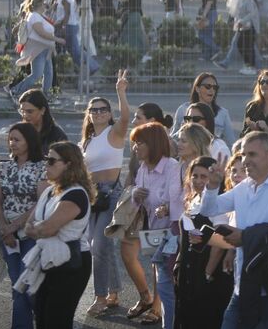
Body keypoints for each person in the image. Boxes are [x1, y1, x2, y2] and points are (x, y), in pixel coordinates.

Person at [198, 132, 268, 329]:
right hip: (244, 288)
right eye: (243, 154)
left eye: (252, 155)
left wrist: (245, 237)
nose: (245, 160)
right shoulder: (245, 187)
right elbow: (209, 209)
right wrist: (212, 186)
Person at [24, 141, 94, 329]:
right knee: (41, 318)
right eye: (47, 159)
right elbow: (28, 226)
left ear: (69, 164)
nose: (46, 164)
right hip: (49, 260)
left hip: (71, 265)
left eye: (52, 161)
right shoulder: (49, 191)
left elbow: (47, 229)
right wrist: (39, 228)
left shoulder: (76, 194)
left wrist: (39, 229)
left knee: (57, 320)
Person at [79, 70, 130, 317]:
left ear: (109, 114)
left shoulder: (114, 133)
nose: (98, 112)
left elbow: (126, 119)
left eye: (102, 109)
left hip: (111, 193)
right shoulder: (87, 140)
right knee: (97, 246)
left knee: (99, 245)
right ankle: (114, 291)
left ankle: (100, 298)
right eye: (94, 110)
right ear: (89, 115)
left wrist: (120, 92)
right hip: (92, 195)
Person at [0, 122, 47, 329]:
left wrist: (15, 225)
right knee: (18, 287)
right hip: (9, 234)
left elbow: (40, 202)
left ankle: (46, 316)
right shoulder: (5, 166)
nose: (12, 143)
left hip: (31, 232)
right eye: (10, 139)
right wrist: (4, 228)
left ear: (29, 141)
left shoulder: (42, 166)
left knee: (29, 287)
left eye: (17, 139)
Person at [130, 121, 184, 327]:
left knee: (167, 284)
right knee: (159, 275)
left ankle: (169, 321)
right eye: (134, 143)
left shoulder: (172, 167)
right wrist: (135, 194)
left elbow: (178, 200)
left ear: (153, 144)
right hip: (152, 229)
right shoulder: (143, 168)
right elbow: (139, 201)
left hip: (172, 232)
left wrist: (167, 207)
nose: (135, 147)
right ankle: (160, 313)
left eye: (140, 143)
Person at [174, 157, 233, 328]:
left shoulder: (218, 204)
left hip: (207, 275)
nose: (198, 181)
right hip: (188, 271)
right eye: (195, 176)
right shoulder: (193, 200)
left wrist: (206, 275)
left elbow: (222, 243)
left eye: (204, 177)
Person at [7, 0, 65, 100]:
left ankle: (47, 95)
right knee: (37, 74)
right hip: (38, 49)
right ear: (40, 5)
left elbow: (48, 22)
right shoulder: (34, 16)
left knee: (48, 73)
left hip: (45, 49)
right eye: (44, 4)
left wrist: (52, 8)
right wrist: (57, 39)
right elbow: (41, 32)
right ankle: (15, 90)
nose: (45, 6)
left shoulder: (40, 16)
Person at [172, 73, 237, 146]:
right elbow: (173, 138)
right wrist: (183, 128)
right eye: (208, 86)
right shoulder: (183, 109)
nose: (212, 90)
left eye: (215, 87)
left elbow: (231, 142)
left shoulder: (222, 113)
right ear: (197, 89)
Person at [234, 0, 259, 76]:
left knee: (246, 46)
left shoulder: (249, 0)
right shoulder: (245, 0)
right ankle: (248, 65)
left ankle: (251, 66)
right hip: (244, 27)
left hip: (249, 27)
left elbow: (251, 14)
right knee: (244, 46)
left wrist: (242, 21)